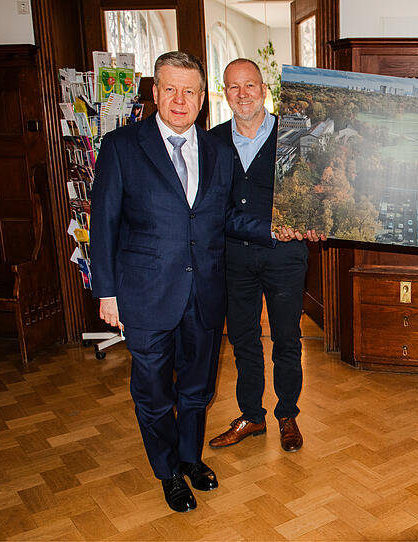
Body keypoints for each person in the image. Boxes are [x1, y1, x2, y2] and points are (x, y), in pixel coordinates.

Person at [90, 51, 296, 513]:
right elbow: (102, 222)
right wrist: (106, 293)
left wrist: (271, 229)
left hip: (203, 294)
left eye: (189, 91)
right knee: (154, 392)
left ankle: (190, 458)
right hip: (144, 296)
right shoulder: (122, 146)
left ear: (202, 99)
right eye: (170, 89)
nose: (180, 100)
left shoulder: (217, 149)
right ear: (156, 93)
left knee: (197, 390)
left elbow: (226, 216)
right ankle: (167, 472)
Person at [208, 59, 323, 453]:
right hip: (235, 259)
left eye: (250, 85)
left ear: (264, 89)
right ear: (225, 93)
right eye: (233, 87)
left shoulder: (295, 134)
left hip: (286, 257)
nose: (243, 94)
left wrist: (317, 221)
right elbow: (211, 210)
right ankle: (252, 416)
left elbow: (315, 193)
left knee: (288, 340)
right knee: (243, 340)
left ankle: (287, 414)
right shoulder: (212, 142)